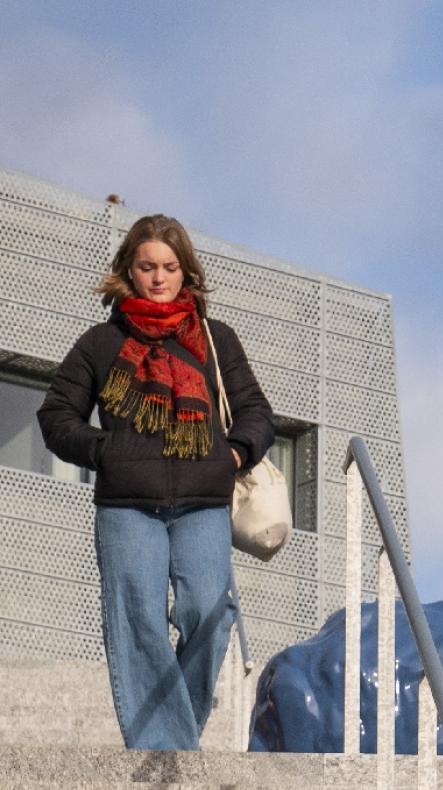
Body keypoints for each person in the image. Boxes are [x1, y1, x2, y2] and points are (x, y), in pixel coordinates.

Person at [37, 214, 274, 750]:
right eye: (147, 267)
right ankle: (167, 755)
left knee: (209, 614)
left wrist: (231, 455)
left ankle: (169, 741)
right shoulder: (101, 343)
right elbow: (56, 417)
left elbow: (256, 413)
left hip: (202, 501)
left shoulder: (217, 341)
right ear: (130, 270)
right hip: (127, 504)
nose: (159, 278)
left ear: (185, 272)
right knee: (138, 617)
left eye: (169, 267)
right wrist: (108, 451)